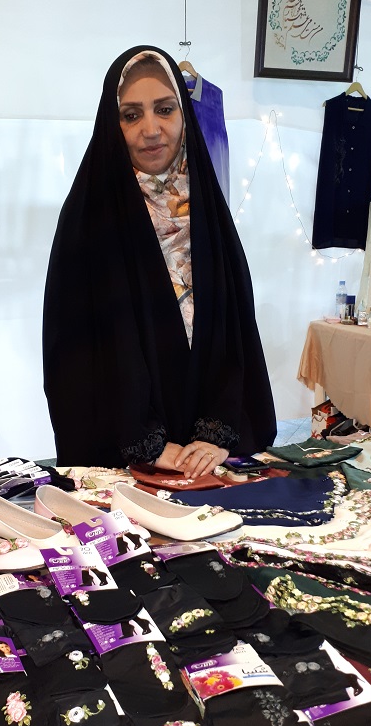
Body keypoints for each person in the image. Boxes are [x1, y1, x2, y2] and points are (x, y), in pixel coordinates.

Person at [43, 45, 276, 479]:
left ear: (184, 115)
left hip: (207, 458)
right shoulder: (87, 219)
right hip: (125, 458)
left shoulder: (209, 214)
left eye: (165, 110)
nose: (151, 129)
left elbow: (234, 334)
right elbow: (73, 353)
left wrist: (216, 434)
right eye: (131, 115)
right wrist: (144, 442)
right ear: (112, 124)